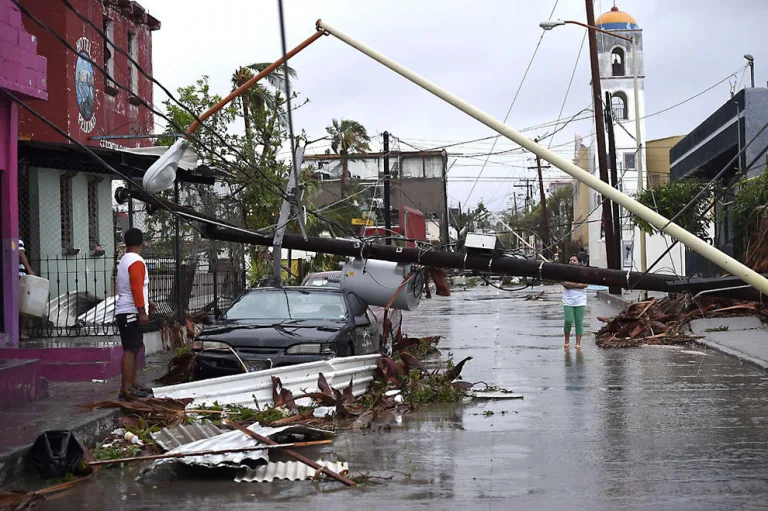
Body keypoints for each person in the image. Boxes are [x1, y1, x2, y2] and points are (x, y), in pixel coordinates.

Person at [115, 228, 157, 400]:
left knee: (134, 347)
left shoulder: (125, 259)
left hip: (128, 310)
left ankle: (133, 383)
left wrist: (148, 303)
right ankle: (126, 388)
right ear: (142, 243)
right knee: (130, 350)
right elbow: (135, 287)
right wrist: (142, 311)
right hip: (131, 311)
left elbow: (136, 286)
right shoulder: (136, 261)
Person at [562, 254, 588, 350]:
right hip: (568, 300)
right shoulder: (565, 272)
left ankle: (578, 343)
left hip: (580, 300)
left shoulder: (583, 272)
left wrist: (572, 285)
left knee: (579, 322)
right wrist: (577, 284)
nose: (572, 262)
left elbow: (585, 284)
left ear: (578, 262)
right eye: (570, 260)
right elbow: (565, 284)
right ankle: (566, 340)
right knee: (568, 320)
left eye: (574, 260)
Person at [18, 238, 34, 339]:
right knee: (24, 305)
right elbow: (21, 255)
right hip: (19, 277)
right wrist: (30, 270)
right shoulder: (17, 240)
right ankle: (22, 332)